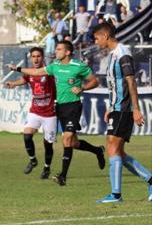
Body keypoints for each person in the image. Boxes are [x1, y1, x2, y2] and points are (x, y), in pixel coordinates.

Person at [9, 41, 105, 186]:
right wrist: (17, 69)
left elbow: (94, 81)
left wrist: (83, 88)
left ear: (67, 52)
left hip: (73, 106)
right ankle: (97, 151)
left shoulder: (79, 66)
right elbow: (36, 72)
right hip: (60, 107)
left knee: (66, 139)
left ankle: (62, 176)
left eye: (59, 49)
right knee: (73, 143)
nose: (56, 51)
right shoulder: (55, 66)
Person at [92, 22, 152, 203]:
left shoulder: (123, 54)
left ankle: (116, 195)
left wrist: (135, 108)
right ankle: (150, 180)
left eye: (97, 38)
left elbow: (131, 82)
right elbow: (114, 85)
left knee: (112, 147)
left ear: (106, 36)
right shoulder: (113, 55)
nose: (96, 42)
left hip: (125, 108)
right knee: (118, 151)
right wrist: (110, 108)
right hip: (116, 108)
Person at [5, 47, 56, 179]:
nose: (36, 59)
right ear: (30, 58)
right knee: (27, 136)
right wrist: (14, 83)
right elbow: (25, 79)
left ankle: (46, 167)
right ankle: (33, 160)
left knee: (47, 144)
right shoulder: (29, 72)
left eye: (38, 56)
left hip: (50, 113)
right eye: (33, 56)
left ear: (43, 57)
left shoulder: (49, 71)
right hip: (35, 111)